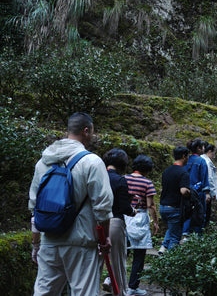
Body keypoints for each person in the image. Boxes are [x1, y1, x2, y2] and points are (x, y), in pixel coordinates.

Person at [28, 112, 113, 295]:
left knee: (44, 292)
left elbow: (34, 207)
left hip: (49, 240)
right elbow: (102, 208)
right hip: (81, 243)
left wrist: (36, 245)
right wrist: (104, 239)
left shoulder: (43, 163)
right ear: (86, 131)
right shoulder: (91, 162)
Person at [102, 148, 137, 296]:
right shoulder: (120, 180)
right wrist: (133, 210)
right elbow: (124, 207)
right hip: (115, 223)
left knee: (95, 261)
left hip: (95, 223)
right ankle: (120, 293)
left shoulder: (98, 176)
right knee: (117, 262)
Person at [125, 154, 158, 296]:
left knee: (122, 252)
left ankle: (111, 280)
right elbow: (151, 205)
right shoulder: (147, 183)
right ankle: (132, 286)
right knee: (139, 255)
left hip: (124, 216)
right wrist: (155, 221)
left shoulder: (123, 179)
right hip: (140, 217)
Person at [159, 146, 191, 253]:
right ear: (184, 156)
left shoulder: (167, 171)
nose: (188, 159)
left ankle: (163, 249)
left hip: (163, 207)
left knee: (172, 228)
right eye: (187, 156)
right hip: (174, 208)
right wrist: (189, 192)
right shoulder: (183, 173)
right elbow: (183, 191)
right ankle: (171, 263)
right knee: (175, 237)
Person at [182, 139, 210, 239]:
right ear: (198, 148)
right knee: (199, 213)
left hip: (186, 191)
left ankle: (185, 234)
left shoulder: (186, 160)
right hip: (198, 193)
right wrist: (207, 193)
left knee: (187, 213)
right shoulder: (201, 161)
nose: (204, 149)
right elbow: (204, 178)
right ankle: (198, 237)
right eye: (202, 147)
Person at [201, 143, 217, 228]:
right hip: (206, 191)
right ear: (210, 151)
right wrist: (213, 192)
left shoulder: (201, 159)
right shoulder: (207, 162)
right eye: (214, 153)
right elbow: (210, 178)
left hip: (201, 189)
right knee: (206, 212)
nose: (214, 156)